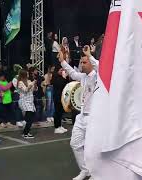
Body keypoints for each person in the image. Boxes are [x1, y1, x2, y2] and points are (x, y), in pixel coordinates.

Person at [58, 48, 97, 180]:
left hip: (94, 118)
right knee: (75, 144)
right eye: (81, 62)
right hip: (81, 116)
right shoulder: (83, 77)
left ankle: (95, 173)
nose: (82, 64)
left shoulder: (99, 76)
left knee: (93, 149)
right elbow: (73, 73)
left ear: (91, 63)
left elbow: (100, 66)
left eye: (84, 62)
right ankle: (85, 170)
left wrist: (90, 55)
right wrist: (63, 61)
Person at [17, 69, 37, 138]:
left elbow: (34, 90)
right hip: (24, 101)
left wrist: (35, 84)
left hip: (30, 101)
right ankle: (25, 133)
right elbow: (25, 90)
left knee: (31, 116)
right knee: (29, 117)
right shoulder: (20, 82)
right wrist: (31, 84)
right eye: (27, 74)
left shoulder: (28, 81)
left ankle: (26, 131)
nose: (28, 75)